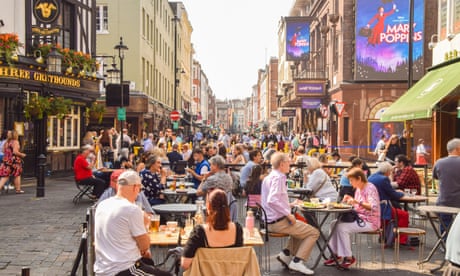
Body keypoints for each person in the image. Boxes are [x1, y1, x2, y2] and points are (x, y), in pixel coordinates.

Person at [94, 170, 169, 276]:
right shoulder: (131, 209)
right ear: (135, 187)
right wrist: (145, 223)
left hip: (102, 268)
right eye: (139, 189)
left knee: (148, 264)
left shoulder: (103, 205)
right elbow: (145, 245)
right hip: (123, 269)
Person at [261, 152, 319, 275]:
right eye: (288, 161)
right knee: (314, 232)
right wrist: (288, 214)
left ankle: (286, 254)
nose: (290, 163)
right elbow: (273, 200)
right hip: (278, 222)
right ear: (282, 164)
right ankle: (297, 261)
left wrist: (290, 205)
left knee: (300, 230)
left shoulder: (269, 177)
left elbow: (272, 201)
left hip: (269, 221)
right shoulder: (279, 177)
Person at [324, 168, 381, 269]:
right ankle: (336, 254)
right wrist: (349, 202)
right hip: (360, 217)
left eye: (351, 180)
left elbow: (373, 207)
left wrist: (355, 202)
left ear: (359, 178)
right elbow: (357, 206)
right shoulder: (359, 188)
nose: (350, 183)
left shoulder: (370, 188)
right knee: (333, 224)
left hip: (370, 221)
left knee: (342, 228)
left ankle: (349, 257)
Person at [181, 188, 244, 271]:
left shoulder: (200, 232)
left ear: (208, 206)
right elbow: (238, 259)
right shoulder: (237, 229)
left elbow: (185, 264)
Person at [432, 138, 460, 236]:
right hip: (458, 203)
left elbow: (435, 177)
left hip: (443, 201)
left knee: (445, 225)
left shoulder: (439, 162)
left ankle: (444, 242)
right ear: (458, 149)